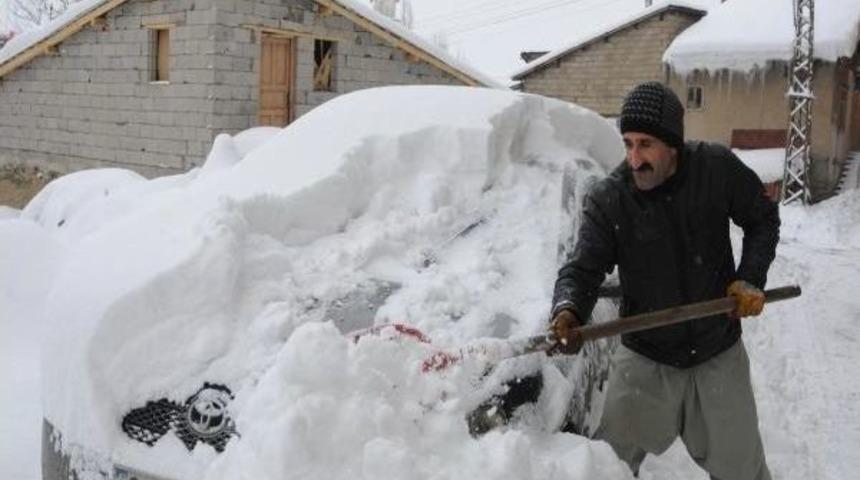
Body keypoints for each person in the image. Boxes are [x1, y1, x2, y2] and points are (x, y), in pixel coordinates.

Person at [548, 81, 779, 480]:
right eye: (628, 144)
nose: (635, 159)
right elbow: (583, 267)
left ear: (673, 144)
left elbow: (762, 219)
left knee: (743, 472)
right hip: (645, 359)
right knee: (605, 468)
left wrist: (750, 278)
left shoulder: (715, 169)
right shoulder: (611, 199)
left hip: (716, 352)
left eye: (646, 145)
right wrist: (568, 308)